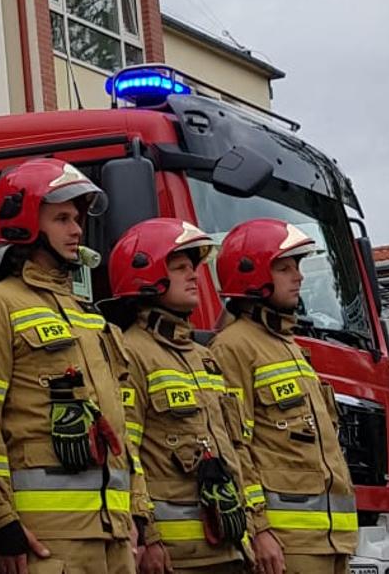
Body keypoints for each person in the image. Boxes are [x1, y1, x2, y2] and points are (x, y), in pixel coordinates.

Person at [0, 158, 151, 574]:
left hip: (114, 538)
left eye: (78, 218)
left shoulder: (88, 316)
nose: (77, 229)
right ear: (24, 223)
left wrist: (137, 511)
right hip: (47, 541)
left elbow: (119, 424)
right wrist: (1, 519)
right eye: (62, 218)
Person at [106, 219, 282, 574]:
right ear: (148, 272)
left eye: (194, 268)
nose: (194, 277)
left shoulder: (204, 358)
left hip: (231, 546)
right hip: (178, 557)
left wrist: (257, 527)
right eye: (180, 267)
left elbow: (236, 450)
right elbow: (127, 454)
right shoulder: (130, 351)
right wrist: (149, 536)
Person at [210, 219, 358, 574]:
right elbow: (233, 448)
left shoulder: (289, 346)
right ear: (252, 273)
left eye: (298, 267)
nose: (299, 277)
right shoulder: (232, 347)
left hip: (332, 541)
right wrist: (259, 530)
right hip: (287, 544)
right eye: (285, 267)